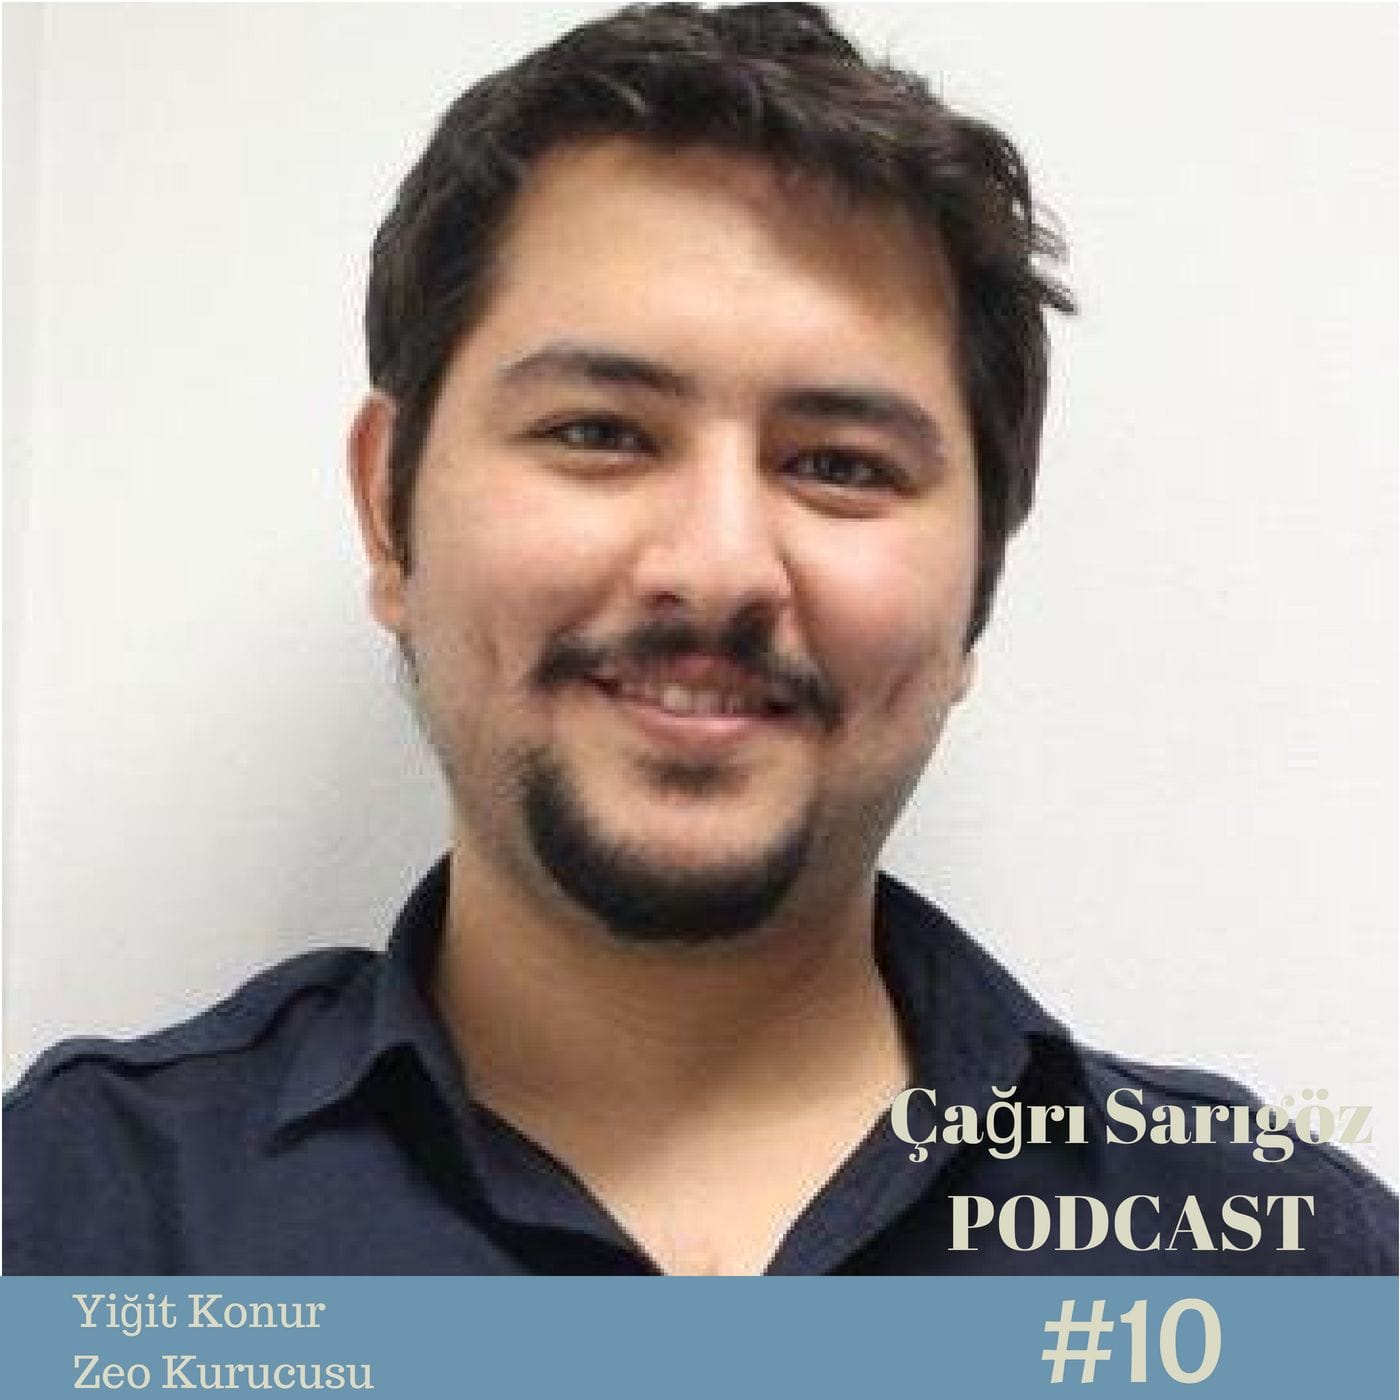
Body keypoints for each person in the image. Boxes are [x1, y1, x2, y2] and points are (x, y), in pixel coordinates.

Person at [5, 2, 1394, 1276]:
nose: (718, 566)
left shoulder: (1287, 1280)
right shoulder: (78, 1231)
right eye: (598, 434)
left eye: (841, 464)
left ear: (980, 580)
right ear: (388, 508)